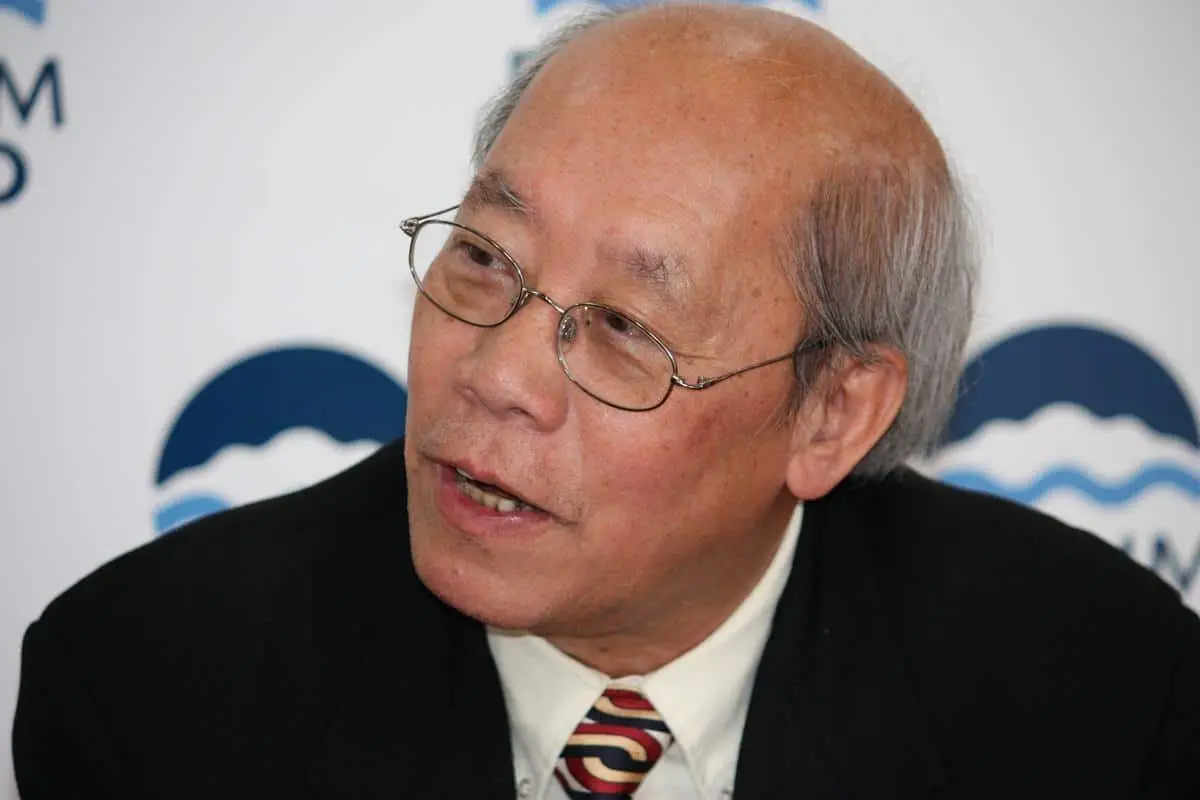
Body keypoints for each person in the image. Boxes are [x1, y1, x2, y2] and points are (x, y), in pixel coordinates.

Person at [12, 4, 1200, 799]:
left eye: (627, 329)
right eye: (483, 257)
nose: (498, 373)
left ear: (833, 411)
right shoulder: (156, 689)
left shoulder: (1096, 698)